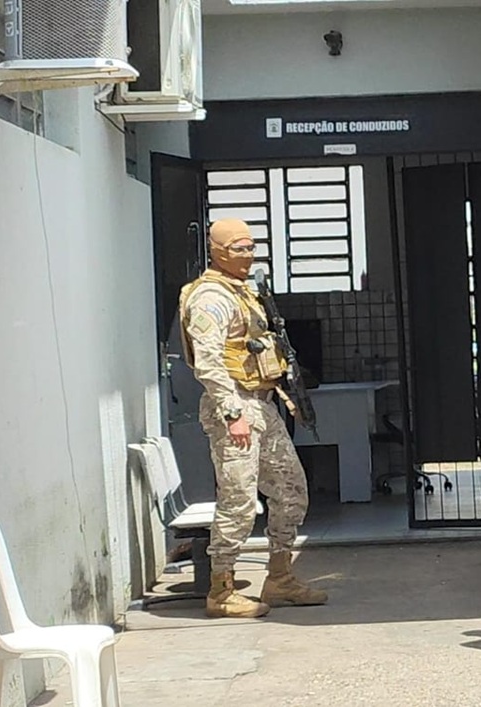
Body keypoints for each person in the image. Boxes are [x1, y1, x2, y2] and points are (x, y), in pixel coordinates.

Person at [178, 218, 328, 619]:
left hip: (262, 403)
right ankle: (221, 590)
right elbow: (208, 362)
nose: (247, 256)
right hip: (235, 405)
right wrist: (232, 413)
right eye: (238, 248)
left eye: (250, 247)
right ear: (217, 251)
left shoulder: (243, 292)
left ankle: (280, 577)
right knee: (239, 500)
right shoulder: (210, 298)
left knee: (291, 490)